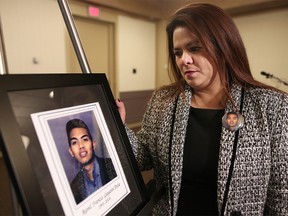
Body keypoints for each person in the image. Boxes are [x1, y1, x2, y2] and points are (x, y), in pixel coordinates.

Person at [115, 3, 288, 216]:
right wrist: (119, 128)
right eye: (178, 52)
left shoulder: (271, 106)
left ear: (224, 47)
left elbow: (282, 195)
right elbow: (143, 159)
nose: (184, 60)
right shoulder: (164, 100)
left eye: (194, 48)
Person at [66, 118, 117, 204]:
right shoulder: (73, 189)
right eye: (74, 142)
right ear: (71, 151)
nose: (81, 145)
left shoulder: (113, 165)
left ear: (93, 145)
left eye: (85, 139)